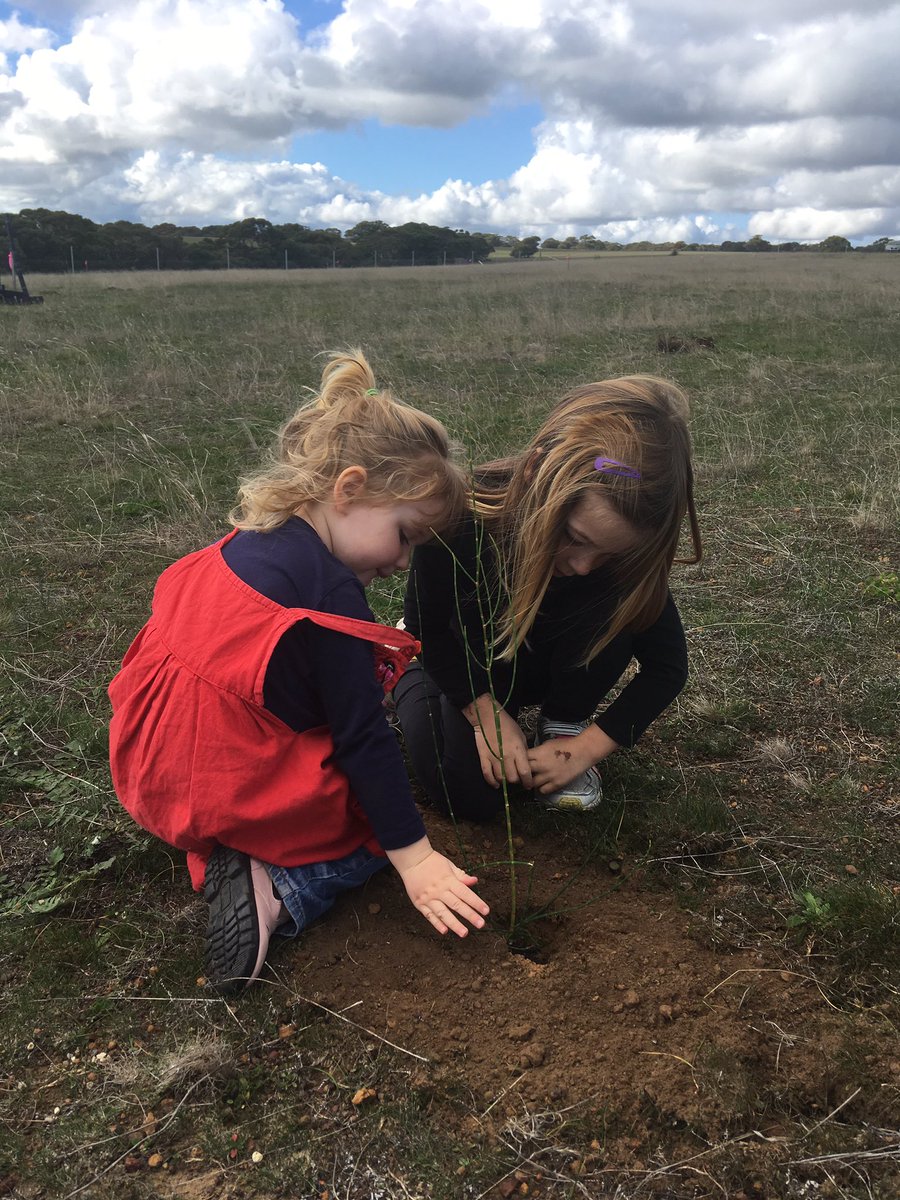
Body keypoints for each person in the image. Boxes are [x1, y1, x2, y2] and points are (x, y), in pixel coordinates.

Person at [109, 350, 489, 996]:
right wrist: (416, 859)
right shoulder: (332, 603)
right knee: (367, 830)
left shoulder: (248, 540)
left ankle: (221, 845)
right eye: (404, 535)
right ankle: (282, 886)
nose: (403, 562)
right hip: (221, 780)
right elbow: (363, 739)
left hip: (153, 767)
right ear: (349, 490)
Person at [393, 374, 702, 820]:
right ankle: (405, 675)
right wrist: (484, 714)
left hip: (555, 667)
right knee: (470, 797)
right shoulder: (463, 515)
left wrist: (584, 749)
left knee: (620, 599)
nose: (583, 565)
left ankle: (563, 718)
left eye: (608, 553)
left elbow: (667, 668)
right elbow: (432, 625)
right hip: (469, 660)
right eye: (574, 537)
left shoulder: (626, 559)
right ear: (540, 471)